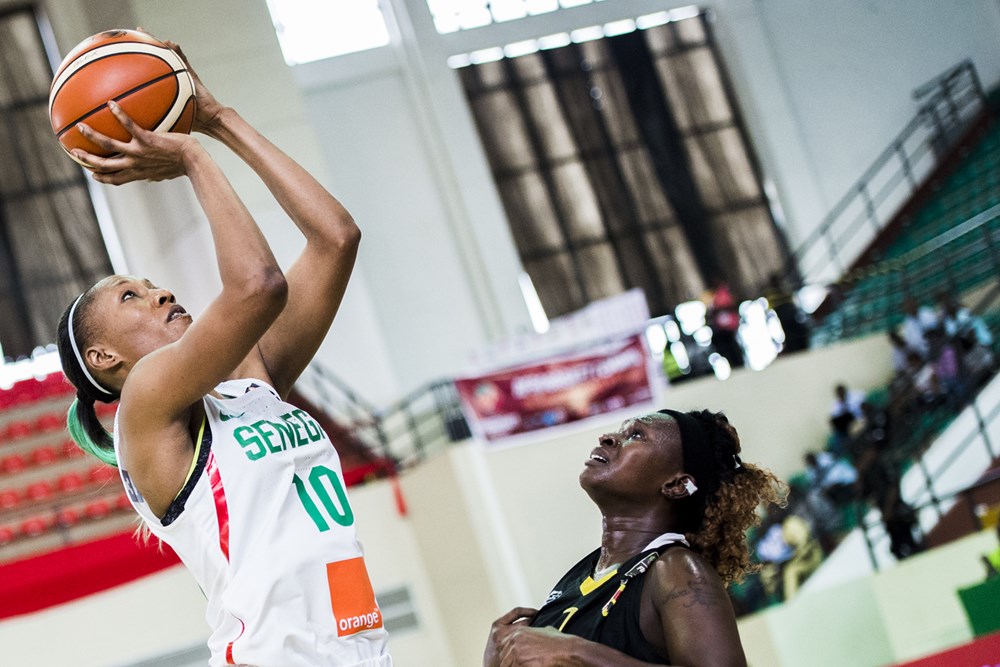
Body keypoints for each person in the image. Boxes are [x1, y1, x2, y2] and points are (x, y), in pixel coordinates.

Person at [56, 43, 390, 667]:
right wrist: (189, 154)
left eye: (154, 284)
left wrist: (216, 117)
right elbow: (259, 284)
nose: (162, 293)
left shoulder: (250, 382)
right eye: (133, 295)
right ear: (103, 358)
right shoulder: (146, 409)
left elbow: (337, 237)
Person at [484, 409, 784, 666]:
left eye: (636, 436)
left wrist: (575, 653)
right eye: (620, 431)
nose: (608, 438)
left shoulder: (676, 571)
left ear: (676, 485)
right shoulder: (578, 578)